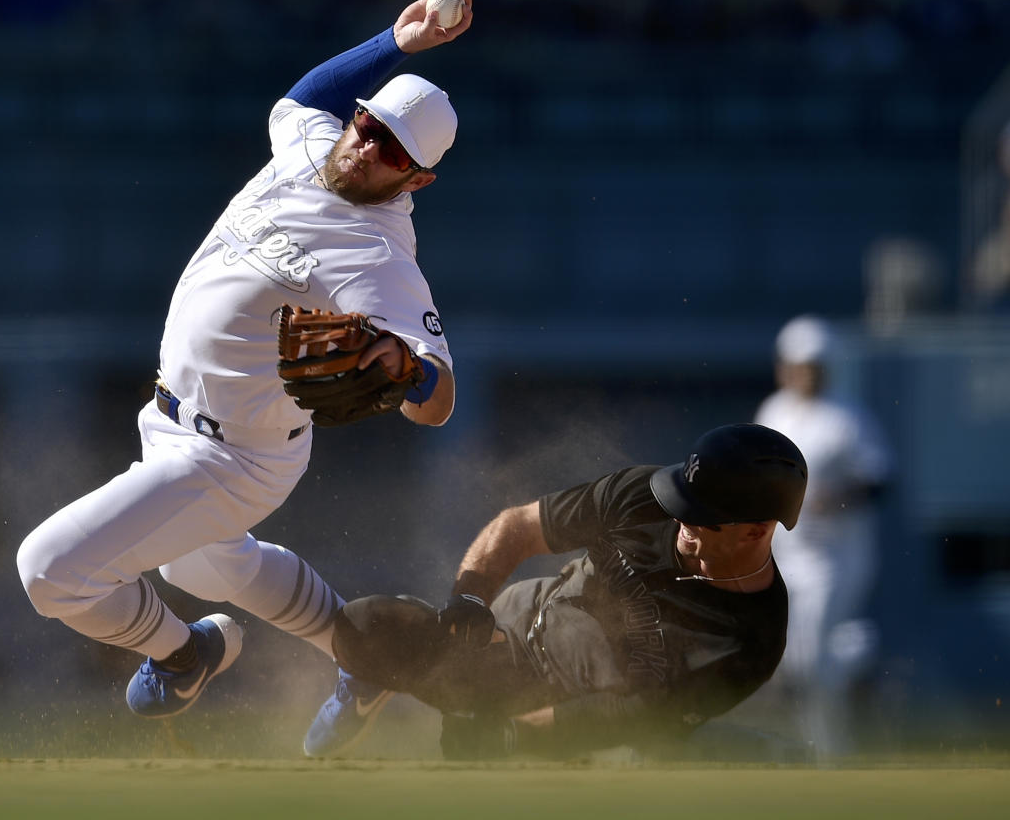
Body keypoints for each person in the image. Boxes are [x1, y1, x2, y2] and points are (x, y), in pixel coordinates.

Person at [16, 0, 473, 722]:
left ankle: (183, 653)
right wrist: (396, 43)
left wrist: (406, 369)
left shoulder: (376, 253)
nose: (366, 147)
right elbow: (300, 98)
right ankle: (361, 654)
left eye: (392, 149)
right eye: (368, 124)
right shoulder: (315, 148)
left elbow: (440, 399)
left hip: (232, 458)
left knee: (48, 571)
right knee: (200, 562)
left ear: (416, 177)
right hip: (170, 423)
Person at [306, 423, 808, 760]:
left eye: (699, 514)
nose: (679, 516)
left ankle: (770, 756)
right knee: (367, 626)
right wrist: (472, 599)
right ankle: (367, 683)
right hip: (516, 636)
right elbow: (520, 526)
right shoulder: (644, 495)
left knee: (647, 760)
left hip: (589, 722)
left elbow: (635, 717)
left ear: (754, 530)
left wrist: (511, 734)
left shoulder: (751, 639)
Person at [754, 315, 892, 756]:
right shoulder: (773, 411)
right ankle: (856, 654)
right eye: (795, 364)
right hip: (785, 555)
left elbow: (880, 481)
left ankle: (830, 753)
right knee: (793, 661)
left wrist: (835, 497)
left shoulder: (847, 418)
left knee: (811, 661)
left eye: (811, 364)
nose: (802, 373)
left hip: (835, 559)